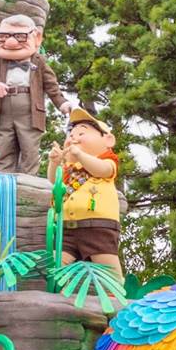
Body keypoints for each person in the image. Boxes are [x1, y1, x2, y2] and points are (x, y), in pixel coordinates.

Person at [0, 14, 71, 175]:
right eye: (4, 36)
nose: (11, 42)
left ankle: (28, 182)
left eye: (20, 36)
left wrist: (62, 103)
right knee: (4, 148)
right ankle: (3, 181)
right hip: (4, 110)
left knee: (29, 150)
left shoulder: (39, 61)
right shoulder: (1, 62)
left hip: (30, 113)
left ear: (36, 38)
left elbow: (51, 86)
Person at [47, 107, 122, 279]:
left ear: (108, 140)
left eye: (81, 133)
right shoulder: (70, 169)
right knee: (56, 267)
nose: (74, 138)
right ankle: (59, 292)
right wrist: (55, 162)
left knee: (108, 271)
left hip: (98, 228)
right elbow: (53, 180)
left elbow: (101, 170)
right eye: (71, 135)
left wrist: (80, 154)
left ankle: (115, 292)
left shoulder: (108, 162)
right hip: (66, 228)